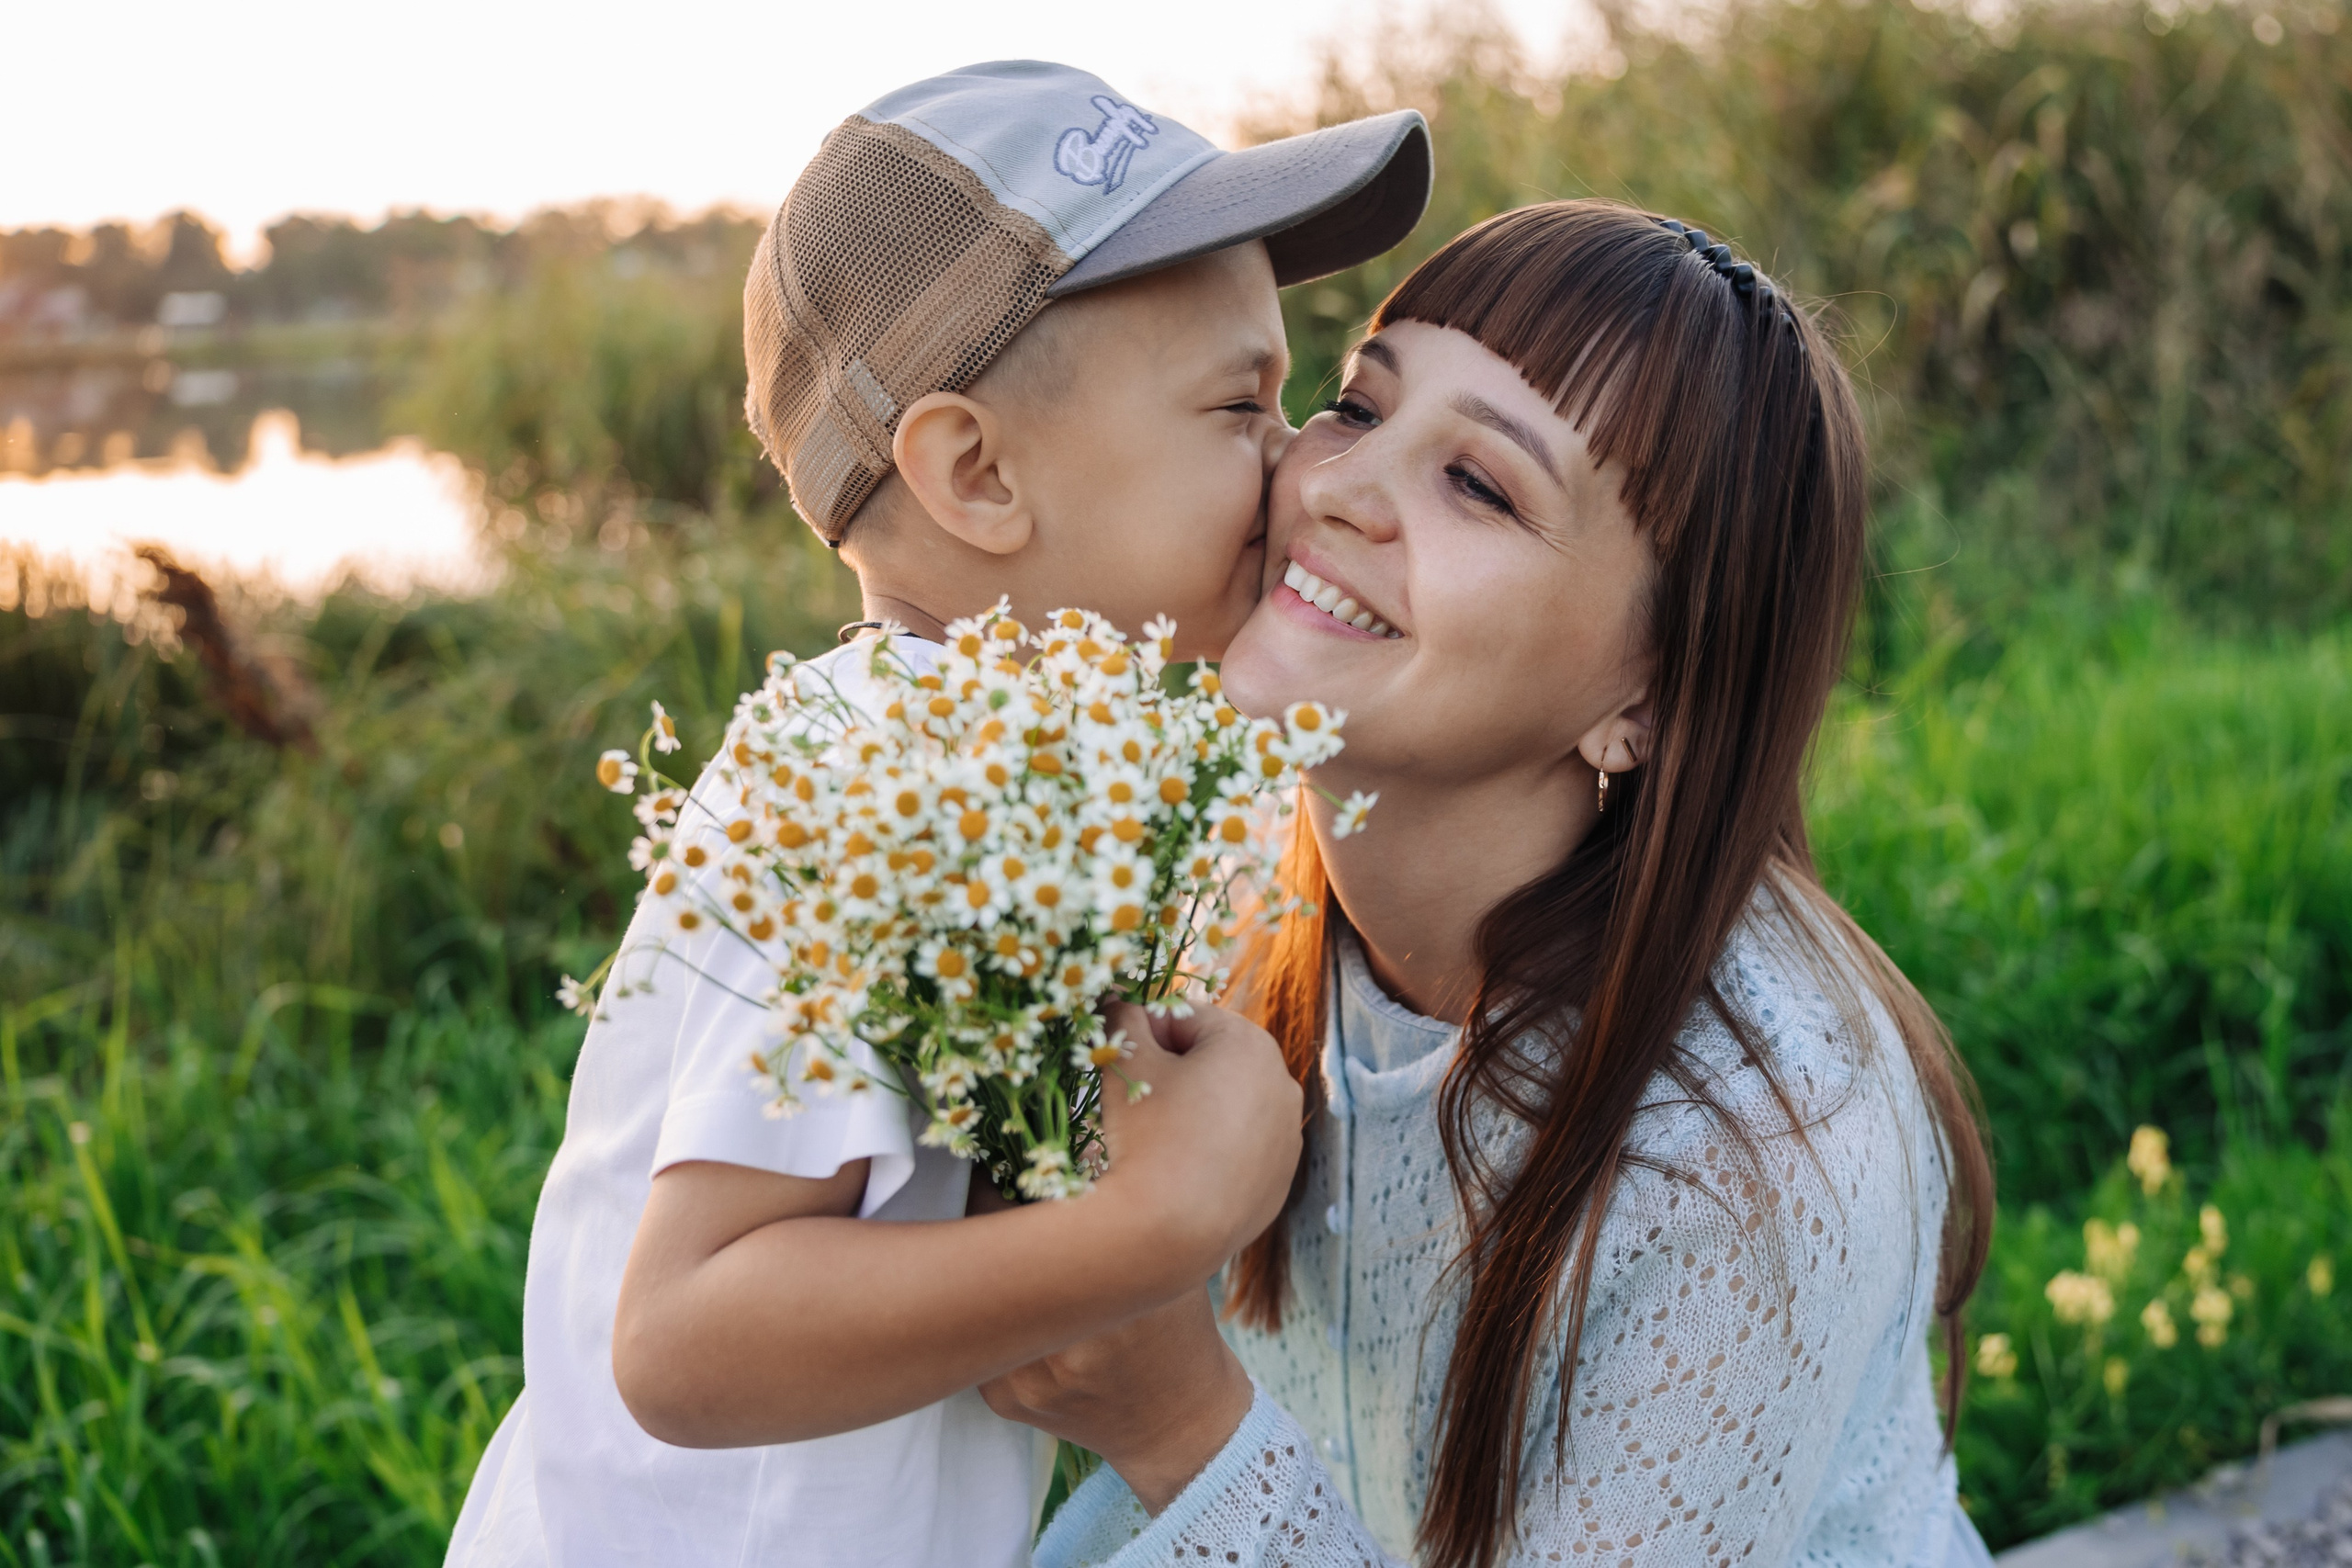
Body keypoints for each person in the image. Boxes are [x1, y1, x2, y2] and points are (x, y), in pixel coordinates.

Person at [443, 61, 1432, 1568]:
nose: (1296, 459)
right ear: (975, 473)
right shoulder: (861, 783)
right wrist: (1154, 1231)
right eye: (1241, 404)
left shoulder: (1035, 763)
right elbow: (685, 1340)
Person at [983, 200, 2001, 1568]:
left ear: (1647, 696)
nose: (1334, 486)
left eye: (1480, 484)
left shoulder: (1763, 1159)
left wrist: (1181, 1431)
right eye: (1356, 405)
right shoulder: (1203, 867)